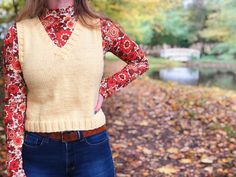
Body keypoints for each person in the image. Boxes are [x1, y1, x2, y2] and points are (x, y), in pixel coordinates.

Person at [1, 0, 149, 176]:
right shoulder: (18, 35)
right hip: (39, 151)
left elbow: (139, 61)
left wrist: (104, 89)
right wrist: (14, 165)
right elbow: (14, 103)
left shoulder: (101, 28)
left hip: (92, 148)